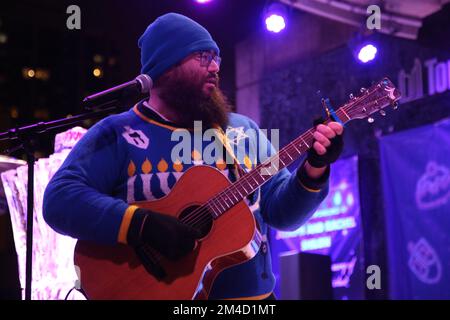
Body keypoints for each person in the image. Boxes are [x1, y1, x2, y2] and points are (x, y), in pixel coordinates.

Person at [43, 12, 344, 300]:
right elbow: (60, 199)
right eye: (203, 57)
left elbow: (283, 215)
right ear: (165, 66)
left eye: (217, 58)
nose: (215, 67)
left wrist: (314, 168)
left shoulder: (242, 131)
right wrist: (140, 225)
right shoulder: (118, 133)